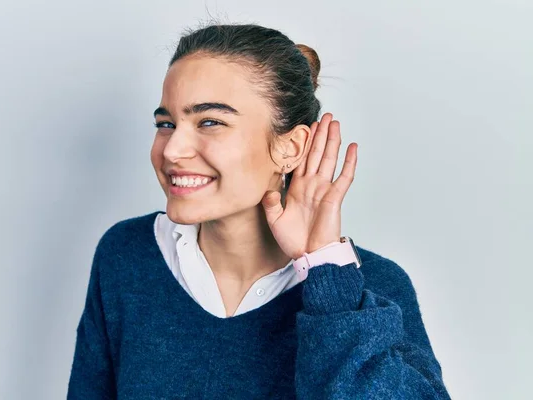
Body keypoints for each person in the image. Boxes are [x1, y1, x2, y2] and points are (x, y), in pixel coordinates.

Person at [67, 23, 451, 399]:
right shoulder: (126, 256)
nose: (170, 151)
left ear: (290, 148)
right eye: (166, 123)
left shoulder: (373, 289)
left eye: (210, 122)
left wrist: (326, 276)